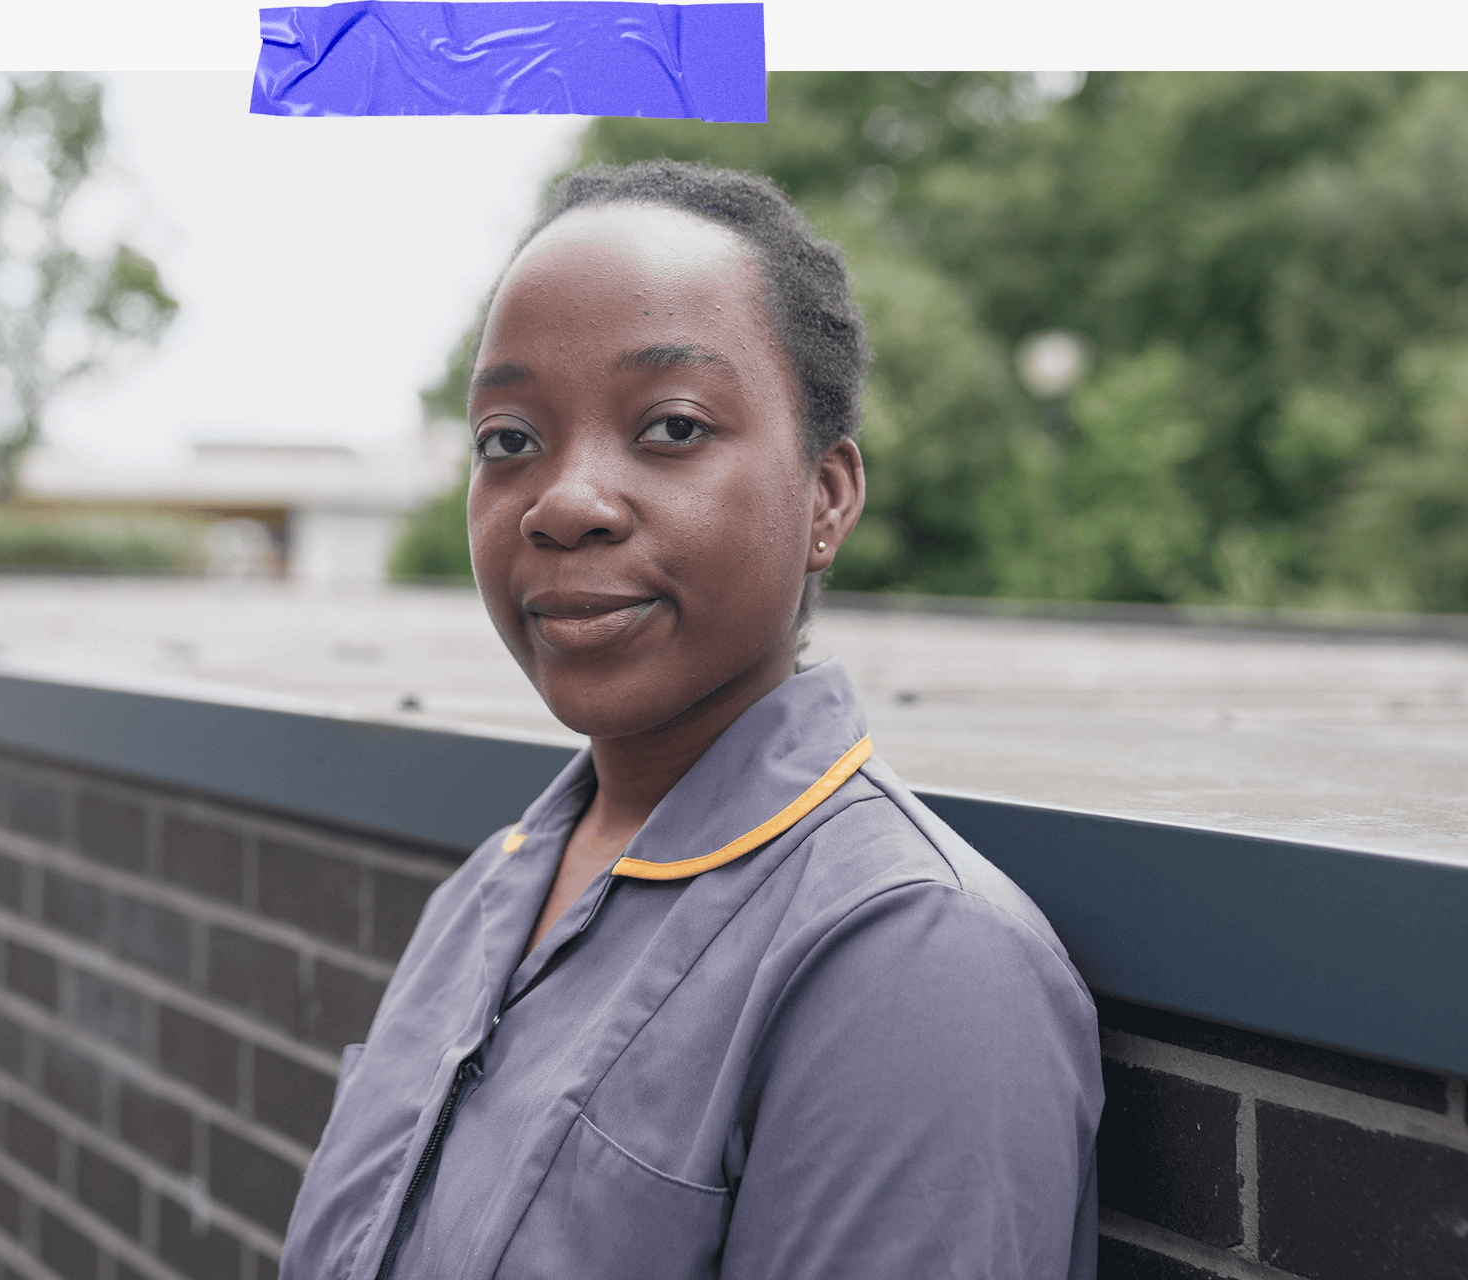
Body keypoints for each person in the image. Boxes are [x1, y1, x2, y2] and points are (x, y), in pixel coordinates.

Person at [280, 160, 1103, 1280]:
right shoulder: (482, 896)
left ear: (826, 496)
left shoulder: (914, 962)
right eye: (507, 440)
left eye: (670, 426)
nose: (563, 502)